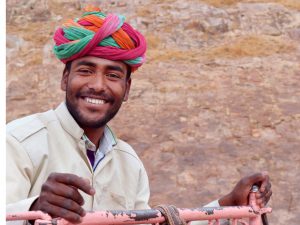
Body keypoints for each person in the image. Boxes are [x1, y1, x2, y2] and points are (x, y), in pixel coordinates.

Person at [6, 5, 272, 225]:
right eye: (86, 70)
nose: (98, 85)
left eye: (113, 75)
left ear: (127, 89)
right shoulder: (17, 142)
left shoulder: (128, 162)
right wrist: (33, 210)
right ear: (65, 79)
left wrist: (227, 205)